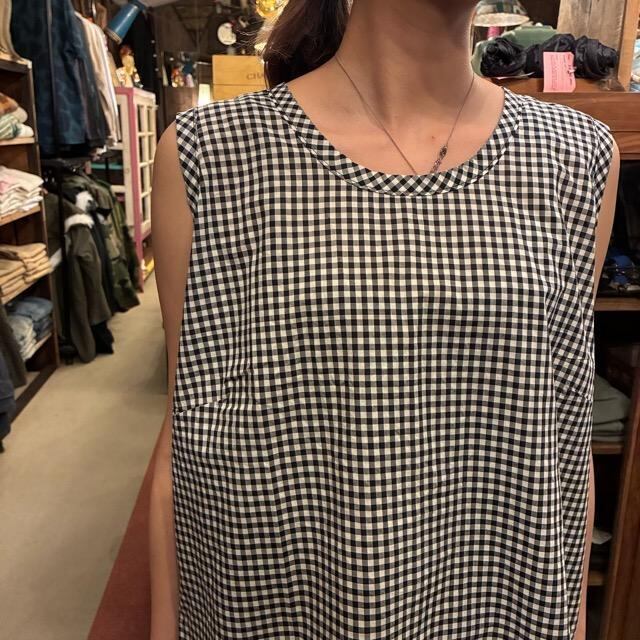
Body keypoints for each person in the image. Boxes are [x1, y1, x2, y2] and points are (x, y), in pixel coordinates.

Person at [149, 1, 620, 639]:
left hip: (498, 605)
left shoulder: (575, 155)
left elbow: (563, 431)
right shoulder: (214, 154)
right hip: (278, 602)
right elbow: (186, 431)